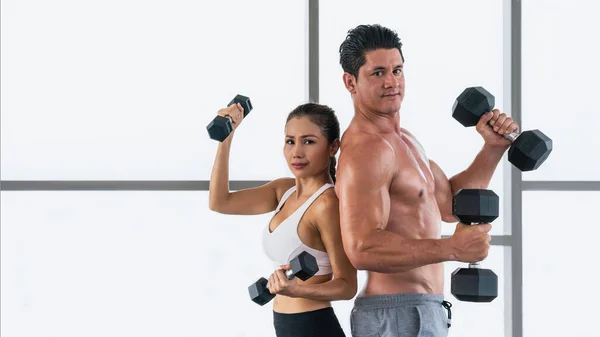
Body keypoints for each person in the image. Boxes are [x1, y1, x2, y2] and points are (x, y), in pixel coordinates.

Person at [334, 24, 519, 337]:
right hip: (394, 313)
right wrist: (451, 249)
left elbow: (448, 205)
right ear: (351, 82)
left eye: (397, 70)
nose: (391, 81)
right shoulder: (367, 149)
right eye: (378, 73)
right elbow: (362, 247)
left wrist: (493, 147)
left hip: (423, 308)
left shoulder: (404, 141)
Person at [208, 101, 357, 337]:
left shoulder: (327, 204)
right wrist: (227, 136)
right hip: (285, 325)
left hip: (314, 326)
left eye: (308, 141)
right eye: (290, 141)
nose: (296, 152)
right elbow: (220, 202)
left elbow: (347, 285)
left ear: (332, 147)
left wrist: (298, 290)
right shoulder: (283, 191)